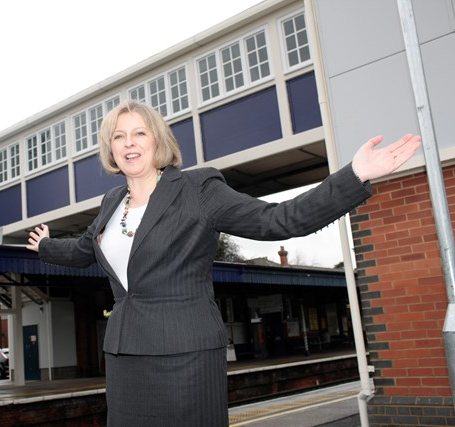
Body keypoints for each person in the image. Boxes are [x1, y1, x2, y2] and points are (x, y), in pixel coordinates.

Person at [26, 100, 421, 426]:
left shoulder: (198, 189)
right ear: (109, 148)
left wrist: (355, 176)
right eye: (119, 136)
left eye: (139, 133)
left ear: (157, 140)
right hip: (126, 357)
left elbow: (278, 219)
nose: (129, 144)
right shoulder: (112, 204)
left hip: (186, 354)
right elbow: (82, 250)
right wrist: (45, 246)